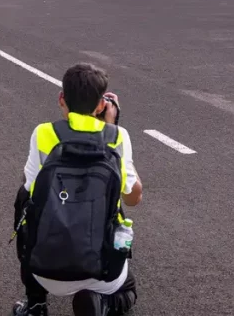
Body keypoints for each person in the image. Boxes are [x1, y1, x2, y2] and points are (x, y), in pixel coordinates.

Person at [12, 64, 142, 316]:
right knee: (128, 290)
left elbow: (30, 187)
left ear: (62, 99)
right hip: (102, 270)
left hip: (44, 270)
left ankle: (36, 303)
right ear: (102, 105)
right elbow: (133, 197)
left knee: (24, 199)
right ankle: (102, 303)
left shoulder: (43, 133)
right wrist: (112, 126)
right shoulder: (118, 136)